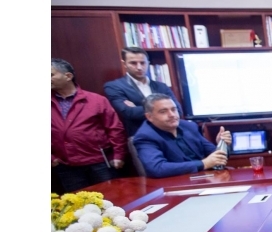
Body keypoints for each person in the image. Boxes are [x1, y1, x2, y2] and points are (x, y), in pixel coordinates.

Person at [51, 58, 127, 192]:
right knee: (77, 202)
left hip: (99, 163)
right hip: (66, 166)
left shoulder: (96, 100)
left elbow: (115, 129)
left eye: (51, 75)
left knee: (109, 198)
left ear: (68, 76)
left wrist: (118, 155)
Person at [132, 94, 231, 178]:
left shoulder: (189, 126)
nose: (171, 115)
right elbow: (157, 168)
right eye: (163, 111)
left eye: (173, 110)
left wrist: (221, 144)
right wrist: (203, 164)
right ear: (149, 117)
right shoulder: (145, 136)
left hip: (206, 178)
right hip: (176, 184)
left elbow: (217, 158)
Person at [104, 47, 184, 136]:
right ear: (124, 64)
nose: (139, 67)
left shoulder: (161, 86)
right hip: (139, 136)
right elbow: (128, 113)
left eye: (142, 63)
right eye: (133, 63)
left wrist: (137, 108)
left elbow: (178, 110)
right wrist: (163, 109)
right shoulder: (114, 86)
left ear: (148, 63)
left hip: (168, 134)